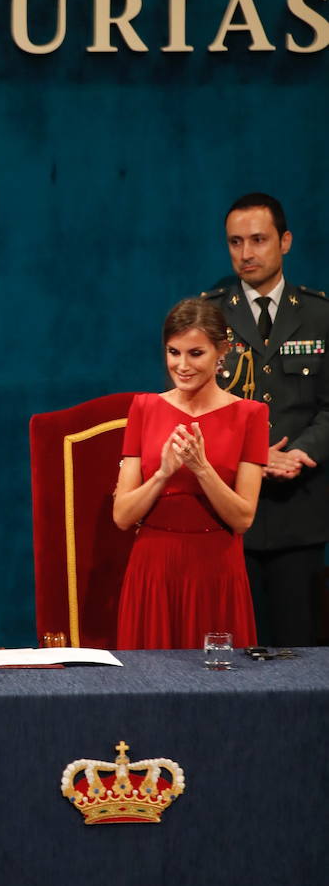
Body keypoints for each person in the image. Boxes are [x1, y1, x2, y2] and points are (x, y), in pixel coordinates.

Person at [201, 192, 329, 646]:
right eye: (235, 242)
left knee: (301, 652)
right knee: (233, 653)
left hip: (301, 508)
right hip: (231, 511)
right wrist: (253, 456)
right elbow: (195, 405)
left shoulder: (319, 314)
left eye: (258, 240)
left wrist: (301, 452)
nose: (246, 253)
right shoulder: (210, 314)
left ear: (285, 241)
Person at [114, 298, 269, 650]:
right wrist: (162, 475)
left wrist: (201, 468)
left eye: (195, 354)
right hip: (153, 571)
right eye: (173, 352)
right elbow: (122, 516)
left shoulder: (251, 415)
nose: (181, 365)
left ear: (221, 352)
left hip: (216, 571)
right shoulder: (144, 407)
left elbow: (243, 518)